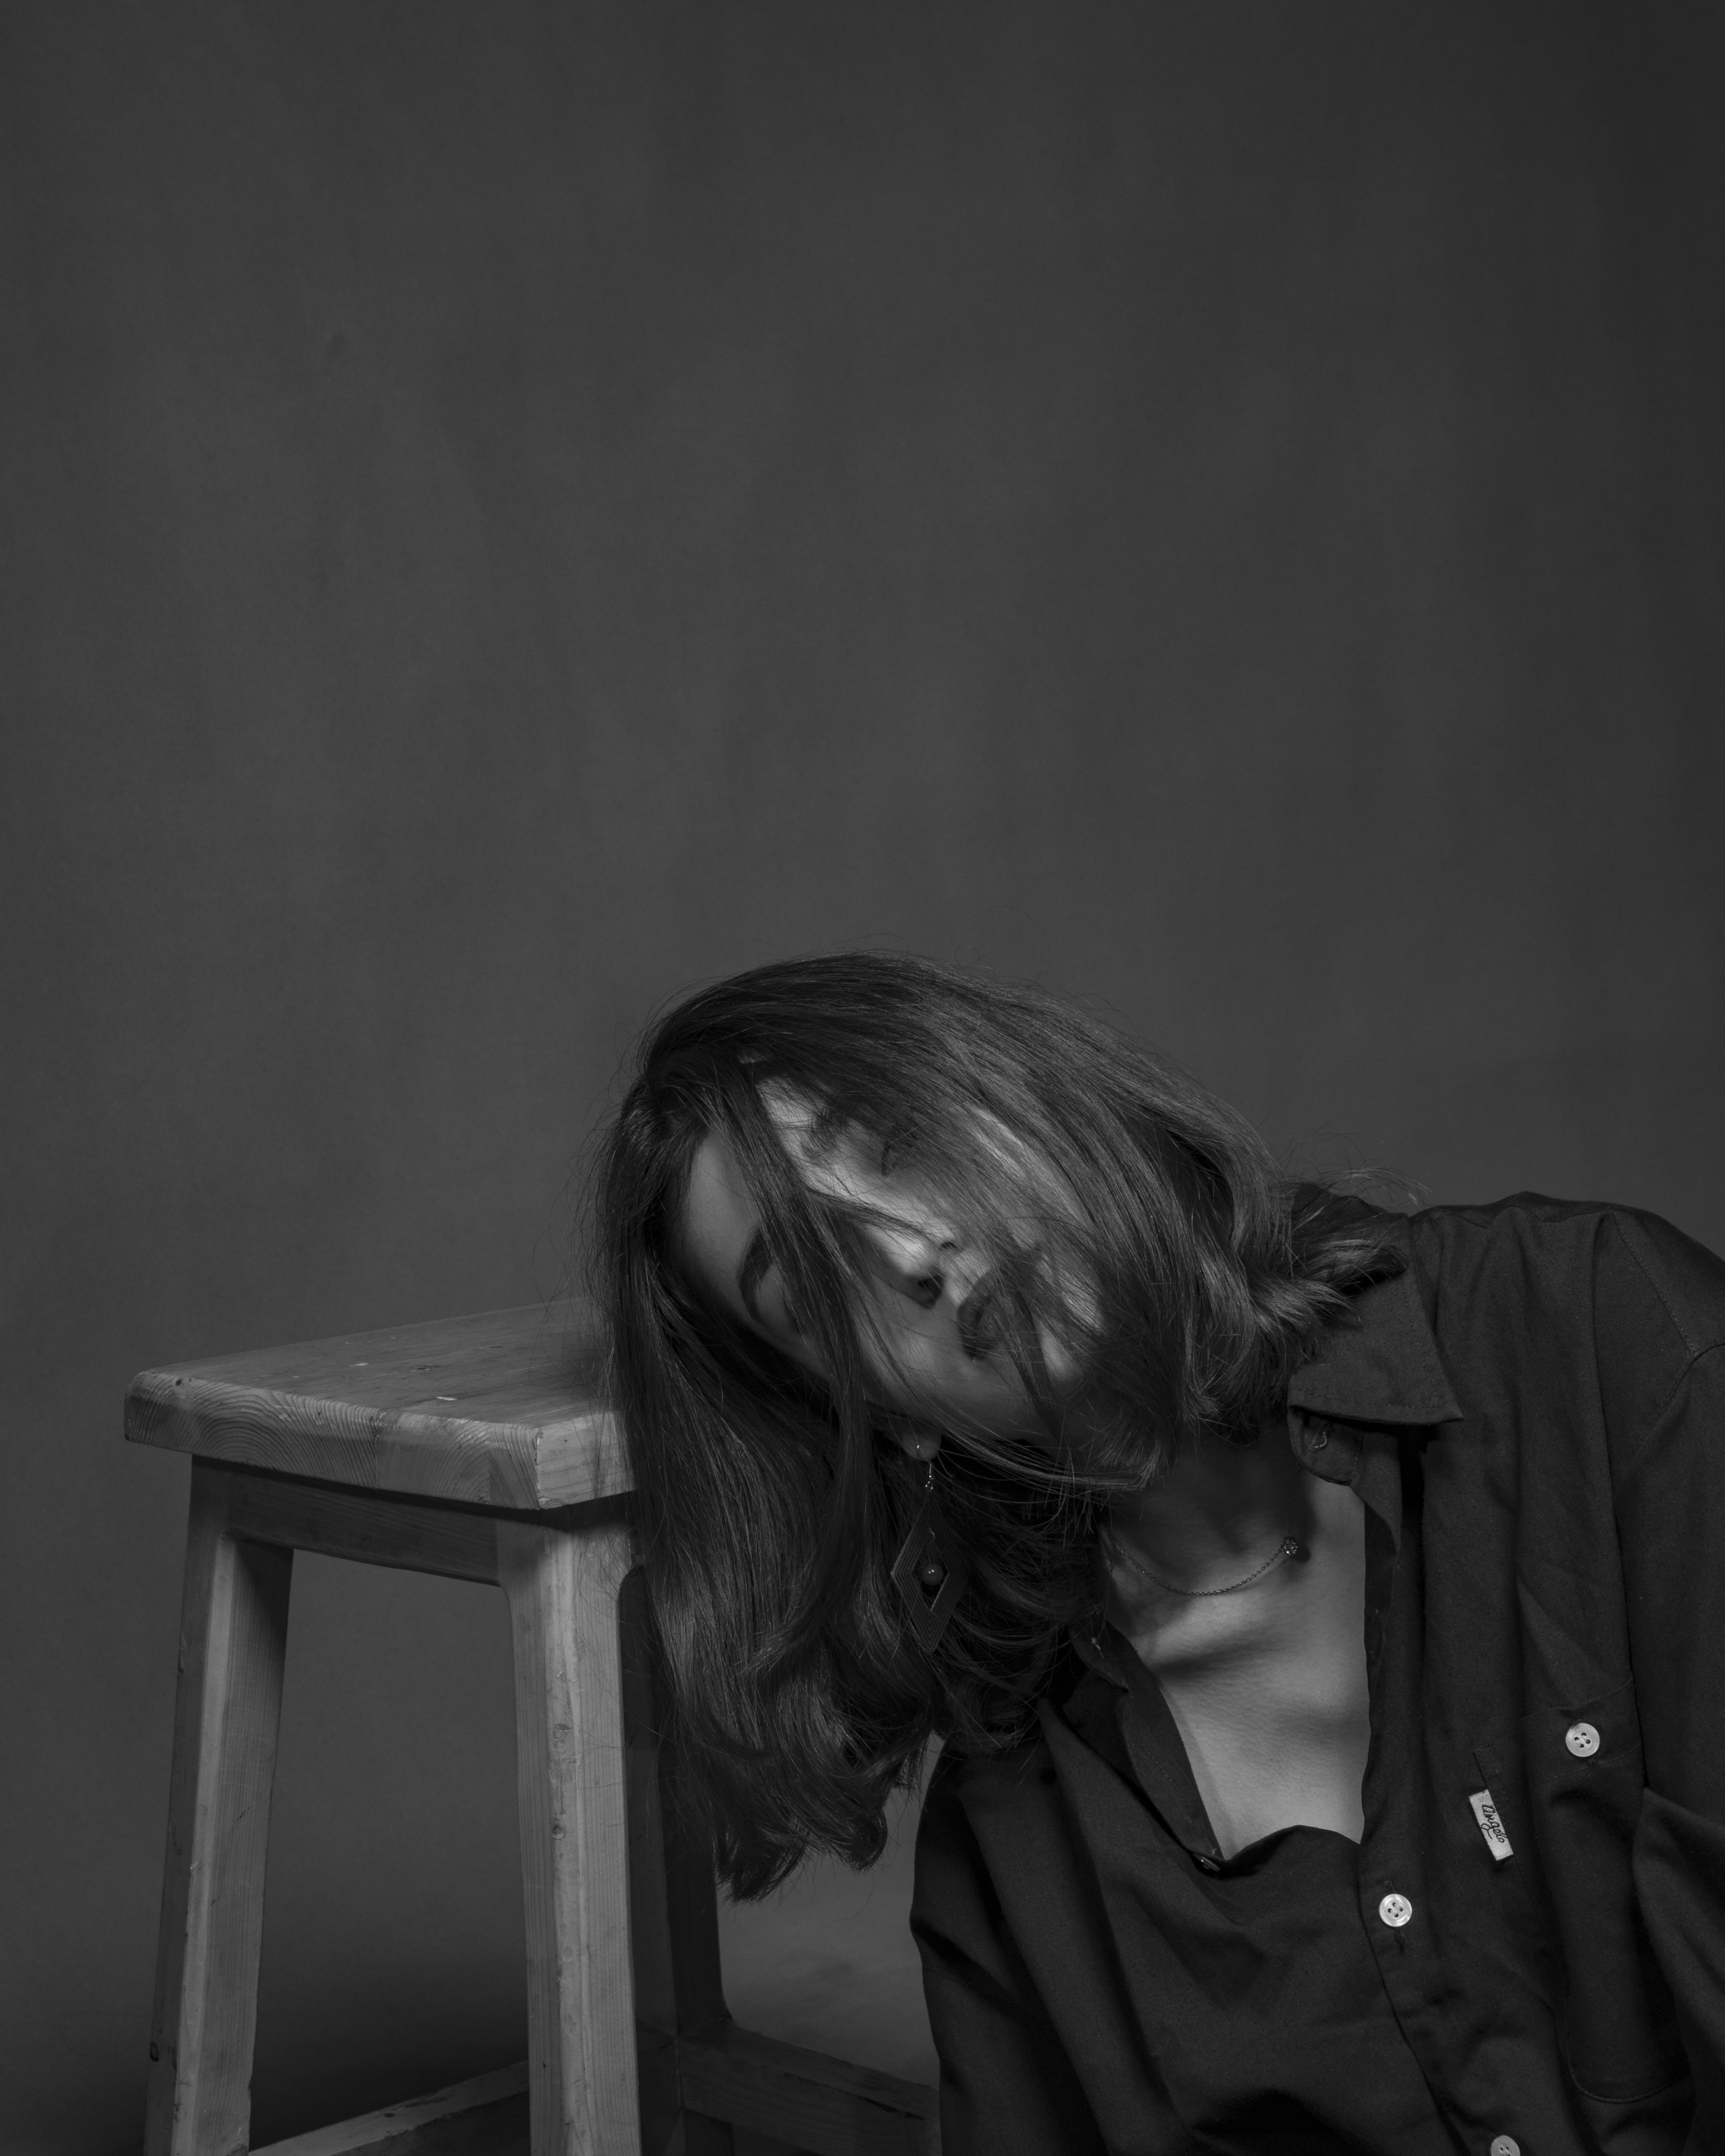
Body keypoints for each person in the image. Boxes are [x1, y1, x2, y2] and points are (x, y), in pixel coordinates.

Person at [592, 951, 1725, 2155]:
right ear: (872, 1409)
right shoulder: (1023, 1838)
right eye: (815, 1288)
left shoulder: (1603, 1339)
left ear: (1030, 1099)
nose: (915, 1252)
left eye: (897, 1139)